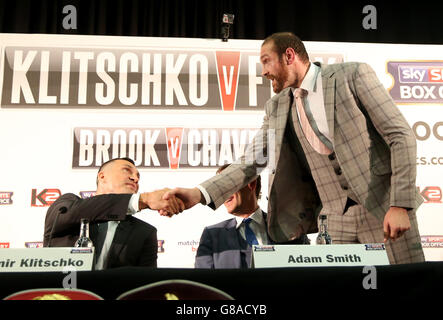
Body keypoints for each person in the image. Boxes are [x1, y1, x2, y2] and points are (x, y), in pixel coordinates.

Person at [164, 32, 425, 265]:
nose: (263, 71)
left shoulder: (352, 76)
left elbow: (400, 135)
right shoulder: (276, 107)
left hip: (385, 209)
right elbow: (250, 162)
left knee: (408, 289)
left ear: (289, 55)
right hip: (333, 220)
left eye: (266, 61)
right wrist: (198, 194)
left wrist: (400, 204)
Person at [43, 157, 184, 269]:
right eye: (127, 170)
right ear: (102, 176)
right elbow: (81, 211)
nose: (135, 178)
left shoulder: (145, 232)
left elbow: (144, 286)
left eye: (137, 176)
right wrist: (144, 199)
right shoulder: (67, 205)